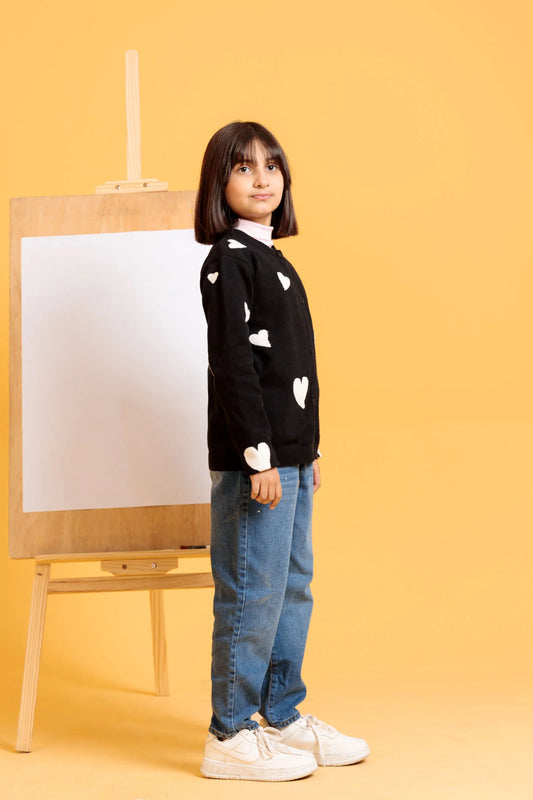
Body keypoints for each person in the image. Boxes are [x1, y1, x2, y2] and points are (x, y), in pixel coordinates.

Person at [195, 121, 369, 781]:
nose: (261, 178)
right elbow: (234, 367)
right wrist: (259, 456)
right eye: (243, 167)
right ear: (219, 184)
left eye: (271, 165)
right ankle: (229, 731)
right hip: (257, 464)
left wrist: (306, 448)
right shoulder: (228, 261)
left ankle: (282, 711)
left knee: (293, 587)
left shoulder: (274, 260)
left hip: (290, 458)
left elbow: (293, 368)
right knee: (253, 592)